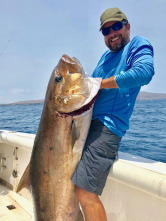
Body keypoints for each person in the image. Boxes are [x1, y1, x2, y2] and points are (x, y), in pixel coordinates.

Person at [72, 7, 154, 221]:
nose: (112, 33)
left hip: (107, 129)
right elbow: (93, 89)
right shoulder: (104, 58)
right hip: (86, 128)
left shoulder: (137, 44)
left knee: (85, 191)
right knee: (70, 185)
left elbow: (144, 73)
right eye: (106, 30)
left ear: (127, 26)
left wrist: (99, 84)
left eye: (116, 26)